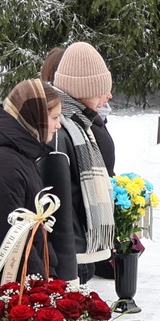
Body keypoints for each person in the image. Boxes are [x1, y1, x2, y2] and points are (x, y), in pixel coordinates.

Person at [0, 80, 75, 288]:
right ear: (34, 117)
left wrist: (50, 278)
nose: (58, 125)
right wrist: (42, 290)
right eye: (54, 118)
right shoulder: (1, 166)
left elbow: (34, 231)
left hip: (3, 285)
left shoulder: (19, 154)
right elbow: (13, 245)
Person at [42, 42, 119, 281]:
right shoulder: (61, 132)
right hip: (69, 260)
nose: (108, 96)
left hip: (79, 254)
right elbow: (58, 208)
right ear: (83, 90)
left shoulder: (80, 125)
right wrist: (68, 271)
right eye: (101, 91)